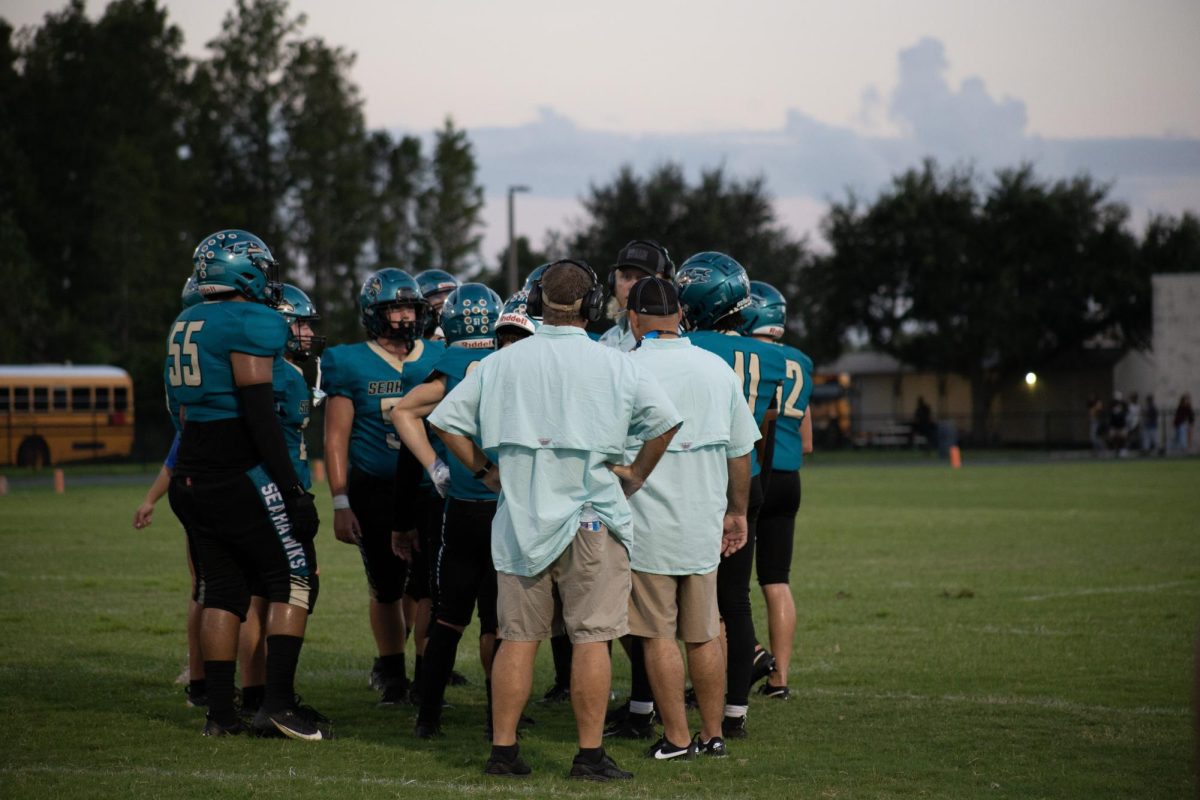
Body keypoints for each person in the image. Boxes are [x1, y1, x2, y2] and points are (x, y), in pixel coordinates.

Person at [428, 260, 682, 781]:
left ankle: (503, 751)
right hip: (593, 517)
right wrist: (634, 474)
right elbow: (666, 422)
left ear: (537, 304)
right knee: (592, 639)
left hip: (521, 518)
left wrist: (483, 471)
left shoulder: (501, 363)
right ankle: (588, 755)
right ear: (593, 306)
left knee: (517, 638)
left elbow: (445, 421)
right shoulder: (614, 362)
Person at [165, 229, 323, 739]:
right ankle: (276, 704)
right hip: (237, 471)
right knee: (295, 576)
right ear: (244, 269)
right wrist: (294, 490)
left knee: (223, 592)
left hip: (191, 473)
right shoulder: (251, 319)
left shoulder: (187, 318)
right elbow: (259, 415)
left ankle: (219, 713)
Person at [623, 276, 759, 759]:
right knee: (704, 633)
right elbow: (741, 451)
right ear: (681, 315)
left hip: (647, 523)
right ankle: (713, 733)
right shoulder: (716, 367)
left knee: (658, 634)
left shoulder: (625, 366)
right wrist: (737, 510)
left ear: (634, 319)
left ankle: (678, 739)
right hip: (703, 518)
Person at [676, 251, 787, 739]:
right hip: (749, 477)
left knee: (676, 600)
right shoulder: (771, 355)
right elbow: (762, 425)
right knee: (736, 601)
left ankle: (655, 705)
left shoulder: (688, 348)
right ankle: (736, 711)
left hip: (697, 479)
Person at [320, 268, 444, 705]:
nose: (406, 316)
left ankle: (428, 674)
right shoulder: (348, 360)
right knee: (387, 585)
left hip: (429, 489)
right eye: (395, 308)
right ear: (374, 314)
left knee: (431, 586)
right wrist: (339, 500)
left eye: (411, 306)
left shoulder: (438, 354)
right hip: (375, 489)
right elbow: (335, 436)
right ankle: (392, 672)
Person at [390, 283, 506, 738]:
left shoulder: (446, 365)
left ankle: (428, 717)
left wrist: (436, 464)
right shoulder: (509, 359)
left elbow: (403, 412)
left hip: (461, 507)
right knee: (499, 622)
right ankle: (500, 718)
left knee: (447, 617)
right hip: (505, 507)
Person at [741, 281, 814, 701]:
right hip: (791, 478)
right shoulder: (801, 360)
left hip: (756, 471)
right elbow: (807, 440)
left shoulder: (749, 357)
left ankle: (748, 658)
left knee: (730, 587)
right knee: (776, 579)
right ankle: (780, 678)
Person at [599, 240, 676, 353]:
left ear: (665, 285)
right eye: (626, 277)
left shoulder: (672, 337)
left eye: (642, 278)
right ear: (612, 283)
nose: (632, 286)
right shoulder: (605, 339)